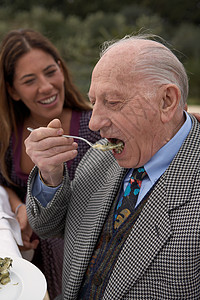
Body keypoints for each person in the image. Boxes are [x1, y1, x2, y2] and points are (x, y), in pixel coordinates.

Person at [25, 33, 200, 300]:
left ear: (167, 101)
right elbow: (49, 226)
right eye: (94, 102)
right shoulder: (100, 156)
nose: (94, 124)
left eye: (113, 103)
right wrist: (50, 176)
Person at [0, 28, 100, 299]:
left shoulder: (94, 126)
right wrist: (21, 206)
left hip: (84, 263)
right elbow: (3, 182)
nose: (46, 86)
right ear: (13, 90)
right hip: (30, 267)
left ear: (61, 68)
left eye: (50, 71)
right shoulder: (9, 136)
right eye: (29, 80)